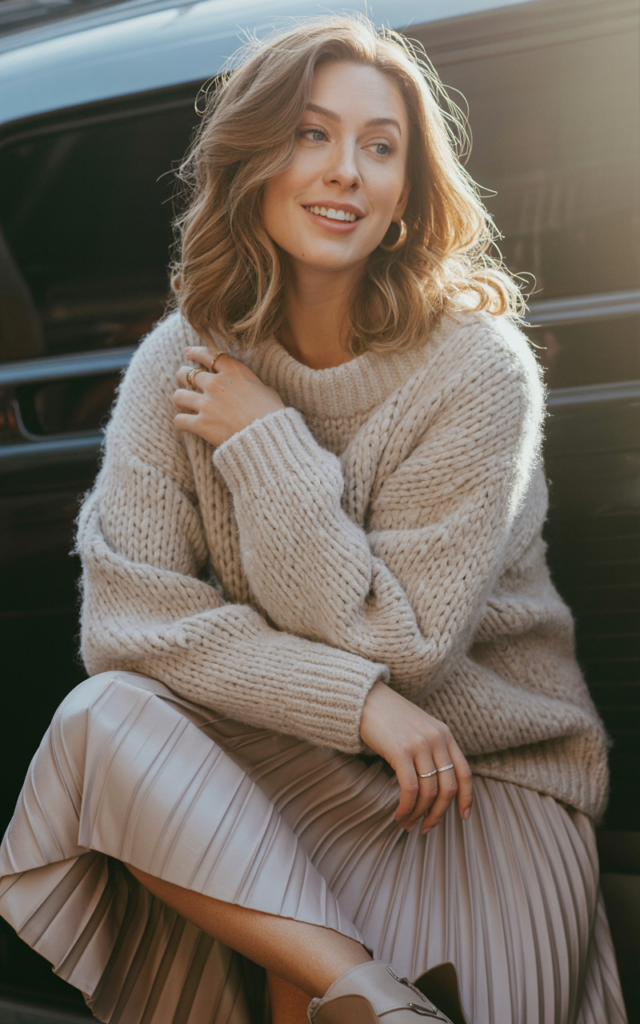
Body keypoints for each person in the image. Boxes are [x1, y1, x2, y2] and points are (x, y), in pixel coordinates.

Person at [0, 16, 627, 1024]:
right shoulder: (181, 359)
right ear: (252, 161)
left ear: (408, 191)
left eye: (379, 147)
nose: (345, 170)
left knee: (297, 945)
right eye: (310, 134)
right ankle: (368, 992)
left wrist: (265, 443)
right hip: (284, 765)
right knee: (97, 720)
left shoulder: (474, 370)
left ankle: (348, 983)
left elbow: (402, 641)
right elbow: (129, 627)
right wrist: (361, 707)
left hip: (467, 783)